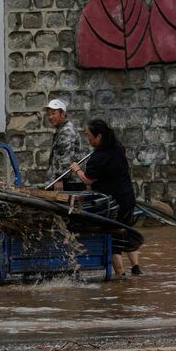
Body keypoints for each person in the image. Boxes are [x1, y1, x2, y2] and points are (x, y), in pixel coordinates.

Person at [69, 119, 143, 277]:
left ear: (99, 137)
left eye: (89, 136)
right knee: (128, 231)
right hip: (128, 197)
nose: (87, 139)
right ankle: (136, 268)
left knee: (113, 237)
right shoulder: (117, 146)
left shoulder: (99, 157)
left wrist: (77, 169)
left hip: (112, 203)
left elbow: (88, 179)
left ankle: (120, 275)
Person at [43, 99, 86, 191]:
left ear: (62, 114)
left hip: (68, 183)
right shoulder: (62, 130)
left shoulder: (66, 131)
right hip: (66, 181)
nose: (50, 117)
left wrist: (59, 179)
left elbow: (66, 157)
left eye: (53, 113)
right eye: (49, 114)